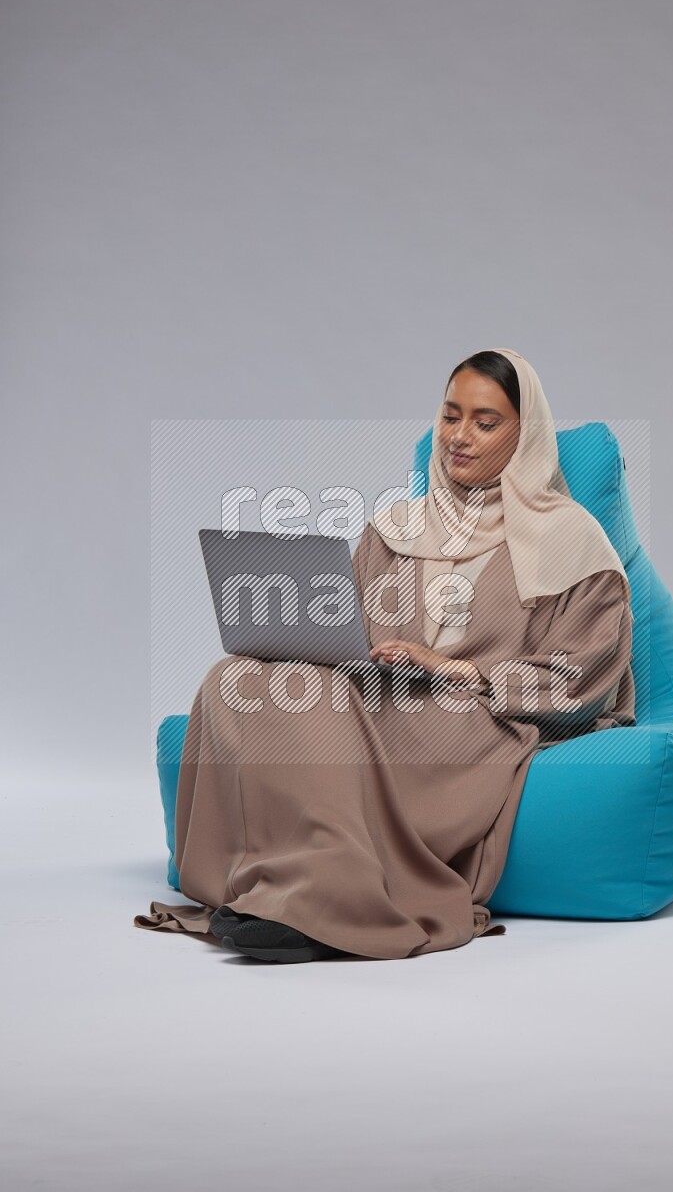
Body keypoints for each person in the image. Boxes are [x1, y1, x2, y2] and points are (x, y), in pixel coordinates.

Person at [134, 347, 636, 962]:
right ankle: (269, 883)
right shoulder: (394, 527)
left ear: (524, 434)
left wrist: (455, 669)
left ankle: (328, 901)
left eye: (485, 422)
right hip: (381, 698)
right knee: (232, 678)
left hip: (478, 716)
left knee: (317, 706)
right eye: (450, 416)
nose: (459, 437)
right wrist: (308, 642)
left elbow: (582, 678)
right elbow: (346, 633)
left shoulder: (572, 539)